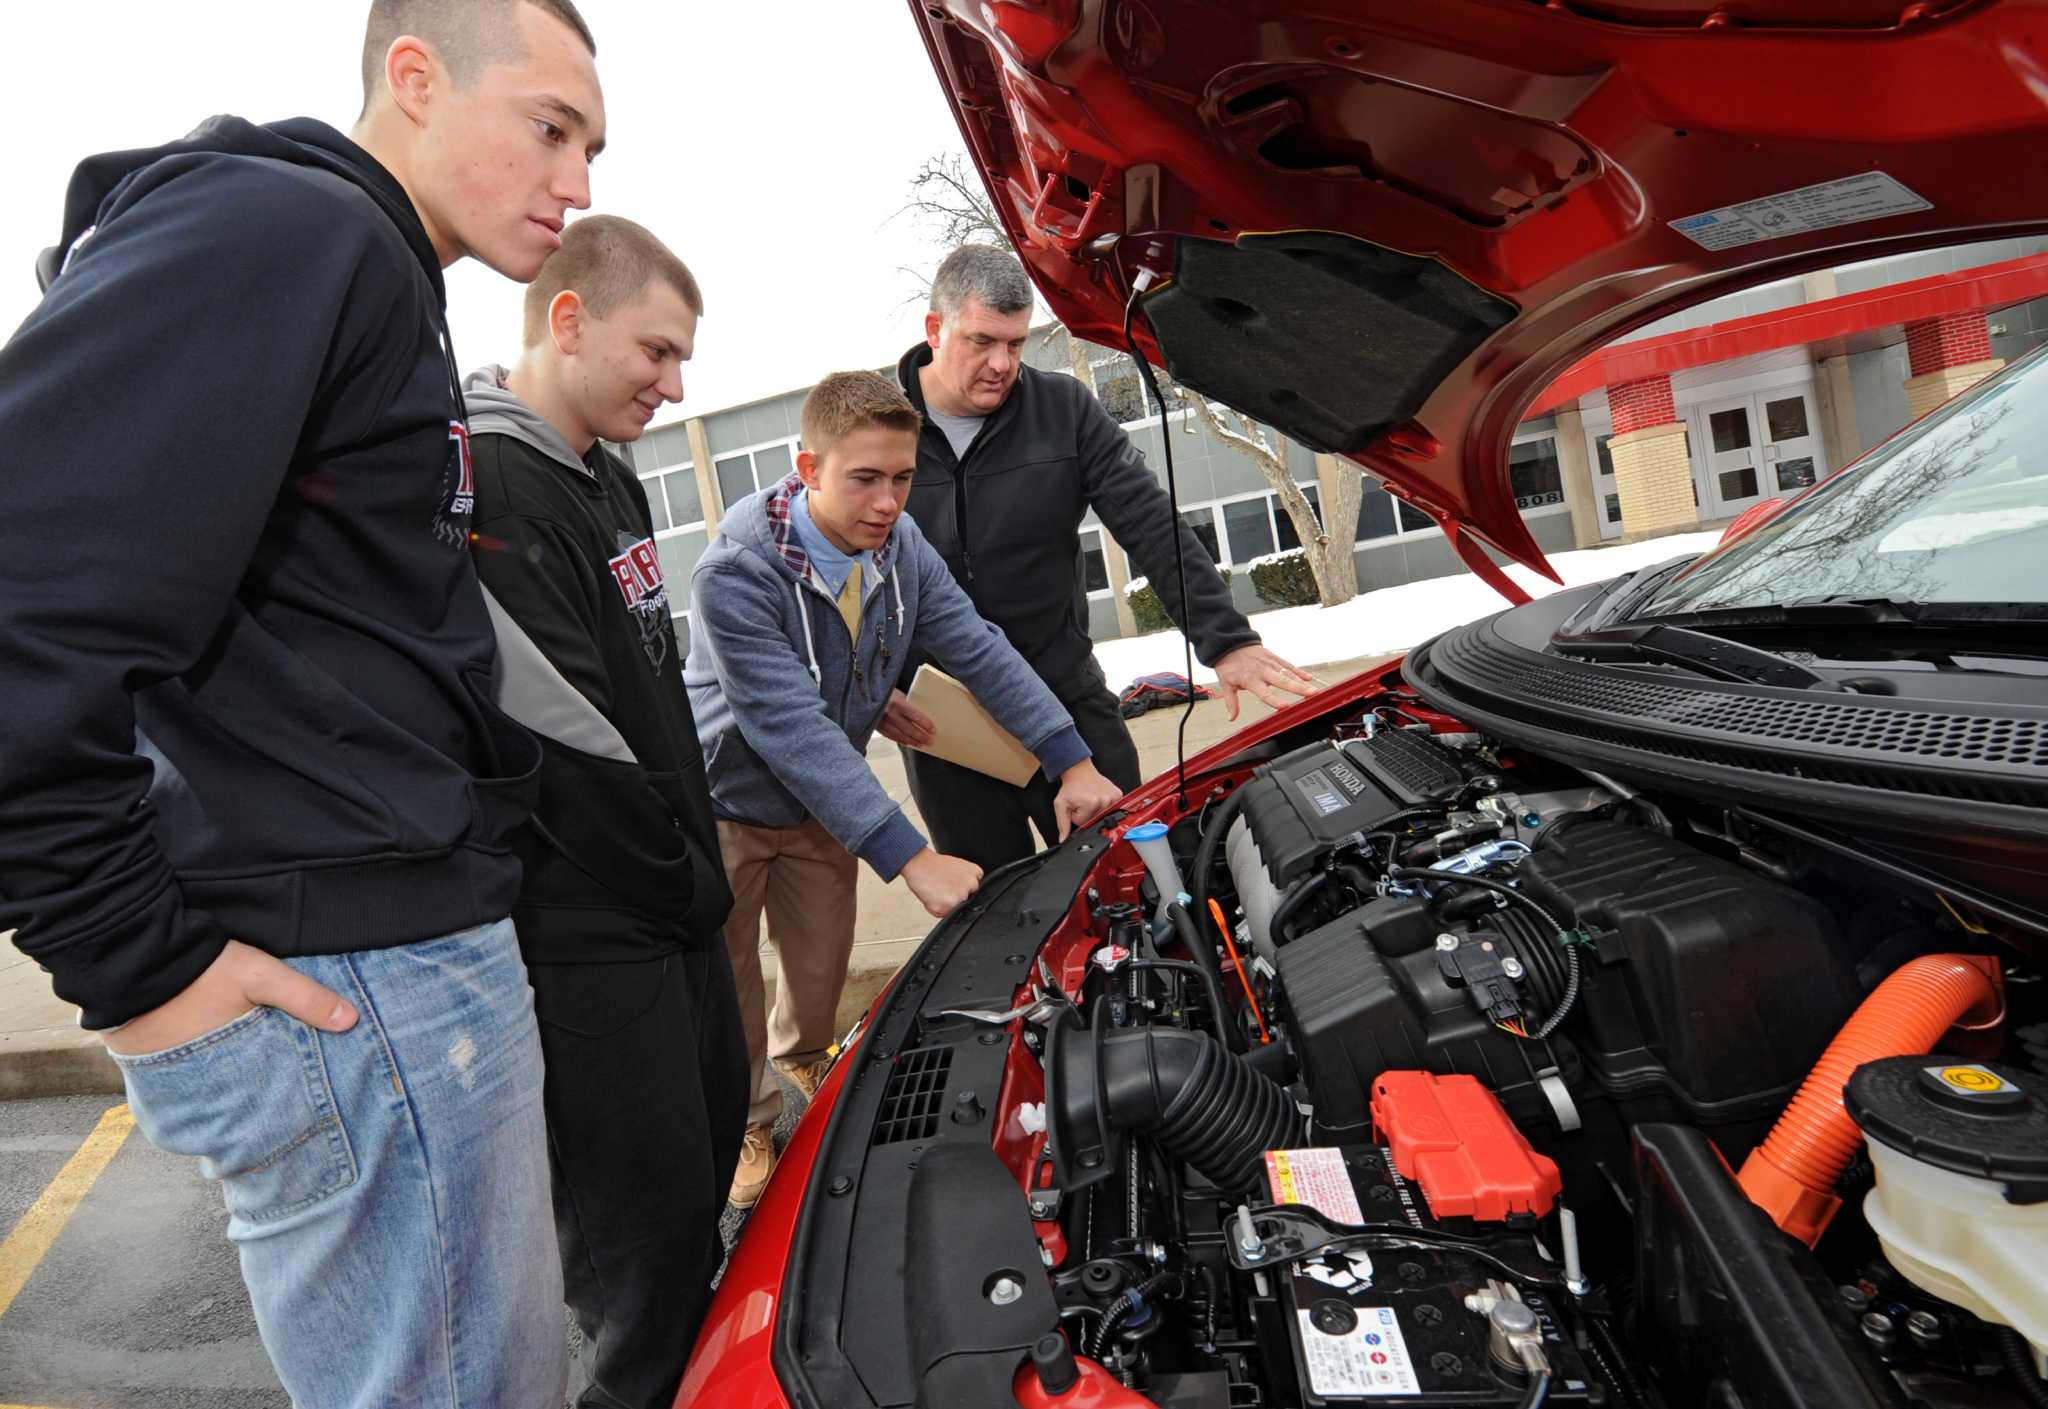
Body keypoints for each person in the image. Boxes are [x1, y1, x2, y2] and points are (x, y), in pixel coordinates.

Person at [0, 3, 605, 1404]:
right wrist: (135, 964)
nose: (580, 184)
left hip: (393, 972)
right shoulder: (286, 232)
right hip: (360, 993)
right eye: (551, 127)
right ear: (413, 78)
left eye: (593, 144)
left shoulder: (366, 272)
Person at [685, 371, 1123, 1207]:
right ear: (807, 467)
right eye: (864, 479)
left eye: (902, 478)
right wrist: (911, 855)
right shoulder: (737, 570)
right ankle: (749, 1113)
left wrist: (1070, 758)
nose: (889, 502)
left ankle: (803, 1048)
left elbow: (978, 646)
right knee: (732, 972)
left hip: (823, 802)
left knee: (818, 961)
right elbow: (786, 724)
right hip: (730, 798)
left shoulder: (898, 546)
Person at [462, 215, 743, 1409]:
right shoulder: (494, 480)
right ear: (567, 319)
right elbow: (562, 736)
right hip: (589, 933)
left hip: (674, 909)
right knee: (645, 1269)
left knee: (703, 1197)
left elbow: (648, 690)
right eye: (656, 351)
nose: (674, 384)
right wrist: (686, 879)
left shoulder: (608, 473)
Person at [888, 245, 1321, 872]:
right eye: (982, 342)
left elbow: (1149, 521)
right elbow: (837, 571)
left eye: (1016, 344)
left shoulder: (1063, 409)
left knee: (1128, 873)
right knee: (990, 901)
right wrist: (874, 691)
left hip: (1060, 686)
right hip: (944, 719)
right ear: (935, 329)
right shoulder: (878, 424)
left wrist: (1225, 641)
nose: (1001, 364)